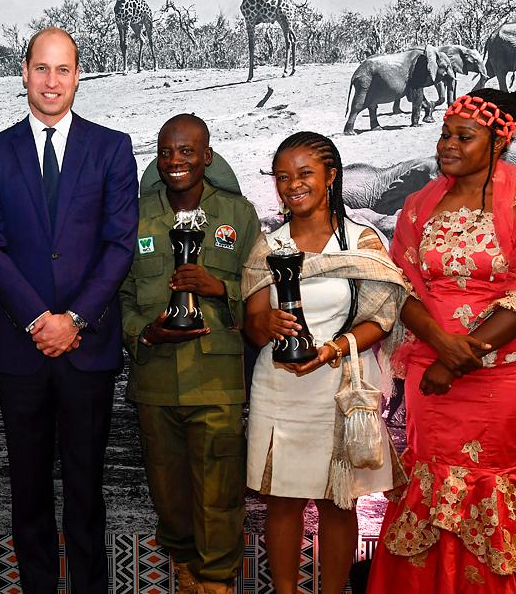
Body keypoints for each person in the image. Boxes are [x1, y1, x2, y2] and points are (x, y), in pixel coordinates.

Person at [0, 27, 138, 592]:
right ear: (24, 72)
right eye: (41, 68)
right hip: (23, 350)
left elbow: (120, 245)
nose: (51, 81)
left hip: (87, 349)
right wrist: (40, 320)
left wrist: (75, 321)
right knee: (29, 490)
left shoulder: (112, 148)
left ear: (77, 76)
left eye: (62, 70)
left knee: (88, 488)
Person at [242, 131, 406, 594]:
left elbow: (382, 317)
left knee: (339, 502)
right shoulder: (267, 247)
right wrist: (268, 323)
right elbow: (252, 324)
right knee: (281, 500)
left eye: (305, 174)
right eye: (282, 177)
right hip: (279, 387)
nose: (292, 185)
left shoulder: (363, 242)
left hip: (339, 385)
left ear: (331, 176)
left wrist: (334, 348)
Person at [367, 89, 516, 593]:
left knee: (489, 480)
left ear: (499, 141)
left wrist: (458, 360)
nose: (447, 144)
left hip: (498, 377)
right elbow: (399, 284)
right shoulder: (418, 205)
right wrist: (441, 346)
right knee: (430, 481)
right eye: (444, 133)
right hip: (429, 377)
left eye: (463, 136)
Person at [118, 114, 260, 594]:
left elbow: (264, 291)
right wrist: (146, 333)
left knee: (220, 489)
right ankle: (183, 567)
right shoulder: (134, 216)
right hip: (155, 379)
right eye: (165, 151)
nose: (175, 160)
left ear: (207, 155)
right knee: (168, 490)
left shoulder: (238, 215)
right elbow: (118, 294)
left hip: (217, 379)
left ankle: (217, 578)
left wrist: (219, 286)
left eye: (186, 151)